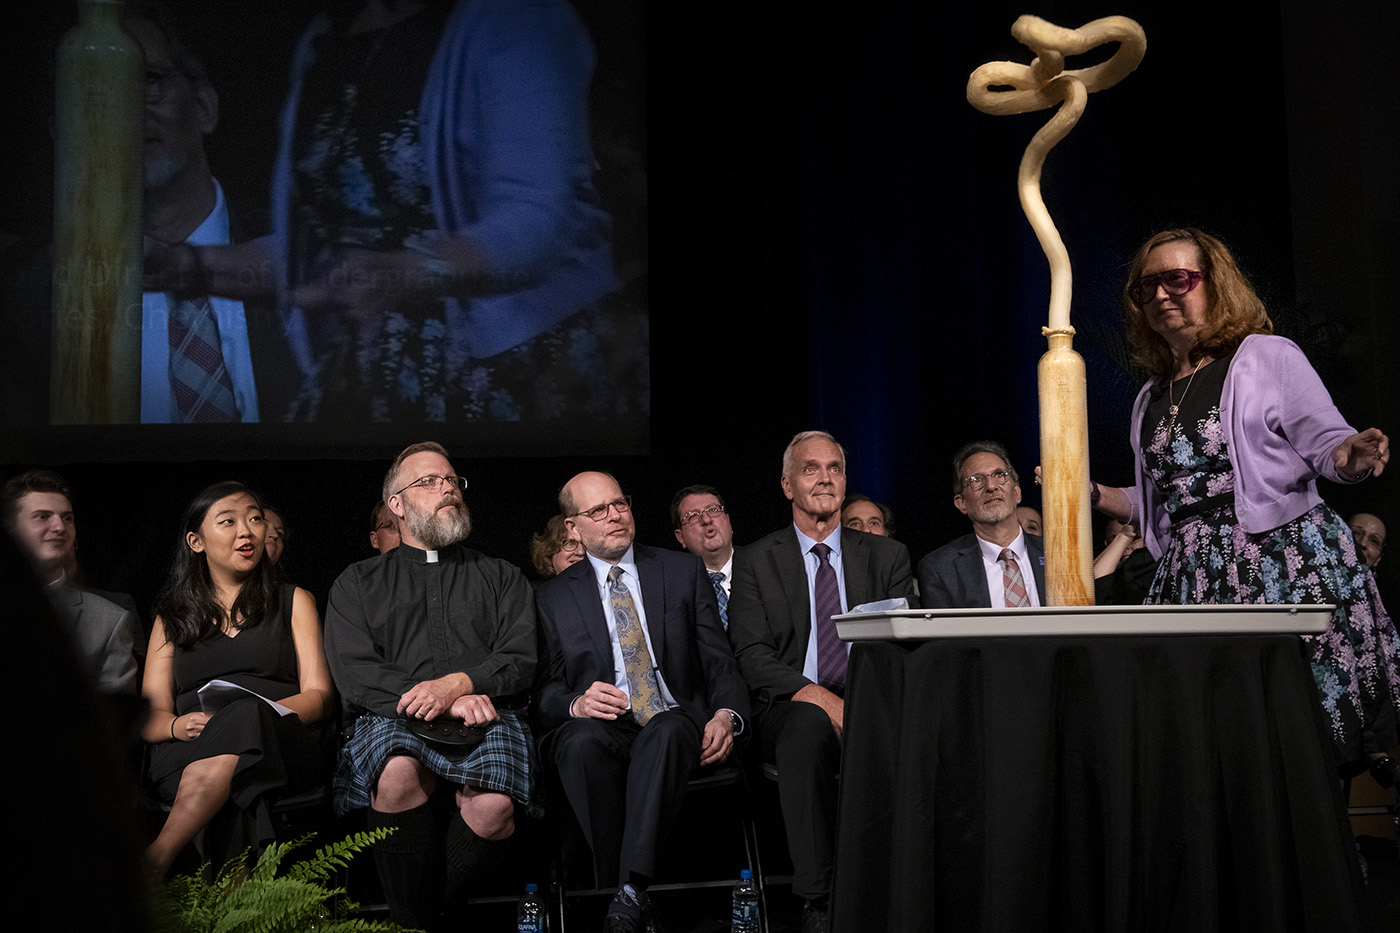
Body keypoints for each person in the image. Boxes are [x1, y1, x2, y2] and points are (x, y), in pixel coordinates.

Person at [148, 0, 635, 425]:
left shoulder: (513, 20)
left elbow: (536, 222)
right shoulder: (321, 41)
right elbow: (325, 257)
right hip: (369, 375)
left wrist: (406, 274)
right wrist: (191, 265)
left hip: (509, 371)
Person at [1088, 227, 1400, 778]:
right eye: (1147, 287)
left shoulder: (1266, 357)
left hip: (1279, 562)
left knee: (1296, 737)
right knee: (1216, 747)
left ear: (1216, 284)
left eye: (1178, 280)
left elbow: (1328, 442)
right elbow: (1163, 499)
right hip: (1192, 575)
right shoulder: (1150, 395)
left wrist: (1351, 451)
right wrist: (1090, 495)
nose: (1162, 295)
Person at [324, 441, 536, 929]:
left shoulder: (501, 576)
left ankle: (426, 918)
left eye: (452, 481)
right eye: (430, 482)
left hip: (489, 713)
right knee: (397, 774)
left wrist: (460, 684)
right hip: (391, 715)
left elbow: (520, 658)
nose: (448, 490)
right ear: (395, 505)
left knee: (494, 807)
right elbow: (357, 674)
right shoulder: (356, 583)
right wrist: (438, 699)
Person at [534, 471, 749, 933]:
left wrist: (728, 714)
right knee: (577, 744)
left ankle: (627, 891)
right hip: (605, 723)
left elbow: (719, 660)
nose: (615, 516)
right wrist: (576, 703)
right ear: (572, 527)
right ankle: (631, 899)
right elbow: (546, 691)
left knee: (667, 729)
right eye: (598, 511)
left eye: (620, 504)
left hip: (672, 717)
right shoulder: (552, 597)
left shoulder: (679, 569)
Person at [727, 430, 917, 932]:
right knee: (809, 725)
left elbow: (902, 647)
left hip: (872, 699)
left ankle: (906, 889)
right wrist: (816, 696)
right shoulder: (754, 559)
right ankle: (819, 900)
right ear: (788, 485)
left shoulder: (887, 557)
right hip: (789, 705)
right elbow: (751, 653)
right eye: (811, 469)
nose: (826, 478)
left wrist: (859, 704)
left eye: (835, 468)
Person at [141, 481, 333, 876]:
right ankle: (242, 908)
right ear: (196, 541)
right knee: (243, 777)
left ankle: (159, 855)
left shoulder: (294, 600)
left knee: (245, 717)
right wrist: (178, 724)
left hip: (282, 741)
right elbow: (150, 716)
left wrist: (258, 712)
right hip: (188, 748)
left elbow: (319, 696)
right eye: (228, 521)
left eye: (255, 519)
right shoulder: (171, 616)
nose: (247, 531)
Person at [3, 469, 138, 695]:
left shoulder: (110, 620)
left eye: (67, 518)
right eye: (42, 516)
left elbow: (115, 720)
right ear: (9, 531)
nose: (59, 527)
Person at [918, 442, 1046, 609]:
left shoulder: (1056, 553)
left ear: (1016, 493)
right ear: (962, 503)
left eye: (999, 475)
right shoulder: (940, 569)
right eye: (976, 480)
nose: (991, 487)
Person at [671, 484, 736, 627]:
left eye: (713, 510)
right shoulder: (675, 591)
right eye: (693, 516)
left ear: (728, 521)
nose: (706, 520)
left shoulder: (763, 567)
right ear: (680, 537)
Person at [529, 513, 584, 578]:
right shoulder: (544, 588)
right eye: (570, 543)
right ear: (549, 549)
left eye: (585, 545)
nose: (581, 552)